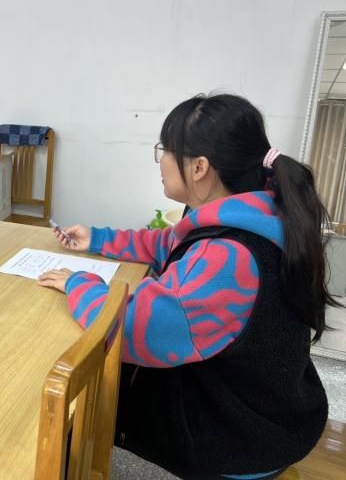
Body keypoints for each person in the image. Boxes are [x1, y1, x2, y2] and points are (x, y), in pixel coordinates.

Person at [38, 93, 338, 479]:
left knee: (84, 400)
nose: (161, 160)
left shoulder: (228, 258)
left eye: (166, 149)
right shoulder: (259, 213)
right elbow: (169, 243)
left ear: (199, 167)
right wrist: (97, 239)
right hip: (266, 407)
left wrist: (79, 282)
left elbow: (132, 330)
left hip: (239, 439)